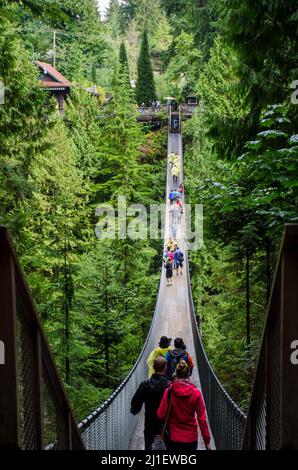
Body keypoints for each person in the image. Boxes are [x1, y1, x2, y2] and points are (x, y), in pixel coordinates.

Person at [157, 360, 211, 451]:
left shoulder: (169, 391)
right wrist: (207, 440)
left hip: (173, 437)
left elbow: (160, 415)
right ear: (189, 375)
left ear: (176, 375)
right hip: (191, 439)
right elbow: (202, 420)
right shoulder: (196, 393)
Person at [131, 357, 170, 450]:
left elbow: (135, 402)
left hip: (150, 423)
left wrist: (134, 410)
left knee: (148, 446)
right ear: (165, 367)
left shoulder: (145, 385)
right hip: (165, 425)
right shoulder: (170, 386)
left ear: (153, 367)